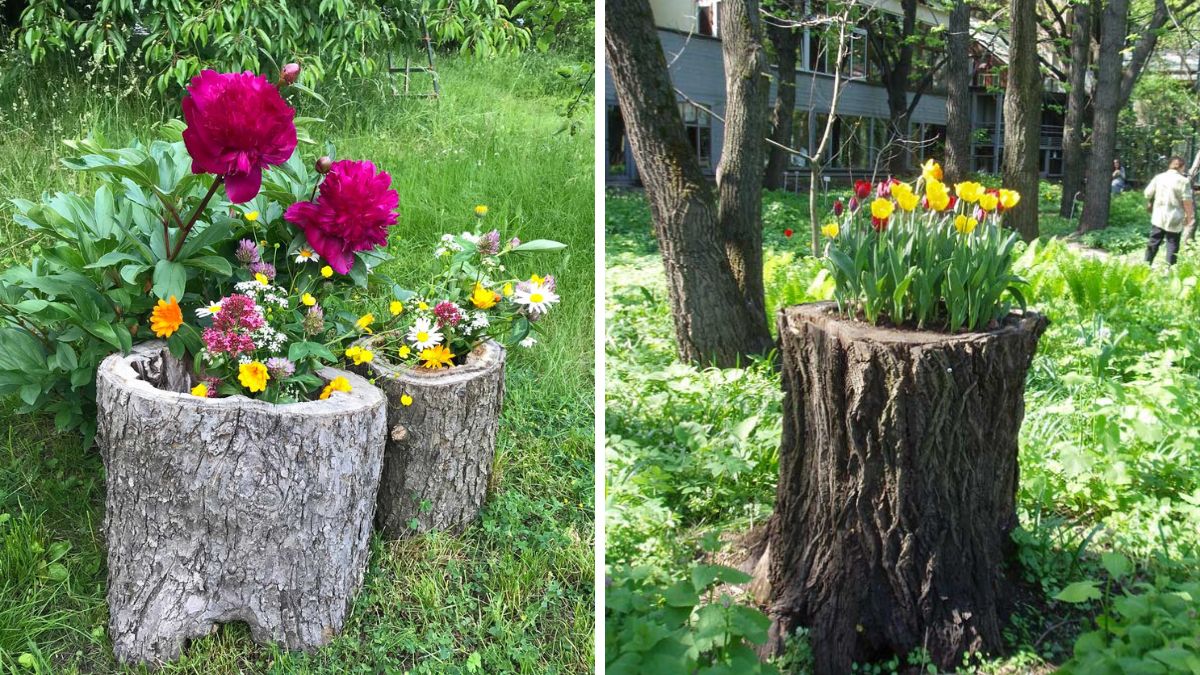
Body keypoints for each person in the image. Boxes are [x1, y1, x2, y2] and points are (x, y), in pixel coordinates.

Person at [1143, 156, 1194, 266]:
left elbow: (1147, 193)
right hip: (1175, 217)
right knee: (1172, 244)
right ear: (1181, 167)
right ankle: (1170, 271)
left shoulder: (1159, 177)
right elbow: (1187, 202)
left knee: (1154, 241)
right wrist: (1189, 217)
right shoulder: (1184, 181)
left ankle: (1145, 266)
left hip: (1158, 216)